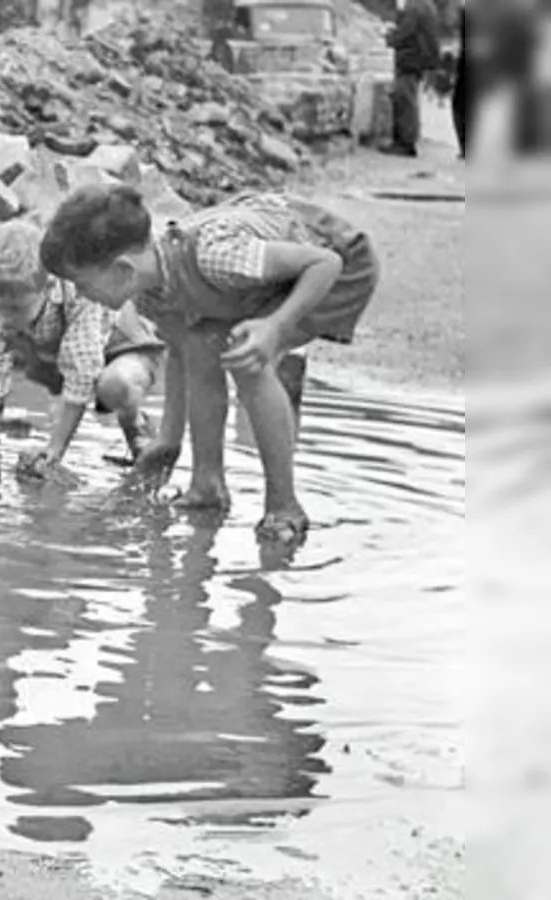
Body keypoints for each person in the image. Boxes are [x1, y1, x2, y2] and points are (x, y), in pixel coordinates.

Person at [40, 185, 380, 544]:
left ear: (122, 270)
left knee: (245, 354)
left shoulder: (217, 256)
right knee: (202, 344)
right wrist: (169, 440)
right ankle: (207, 486)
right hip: (263, 278)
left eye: (81, 283)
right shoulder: (147, 291)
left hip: (335, 263)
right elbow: (179, 352)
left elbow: (325, 263)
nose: (79, 294)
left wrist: (275, 327)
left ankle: (285, 506)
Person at [0, 219, 164, 477]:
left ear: (49, 287)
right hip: (54, 353)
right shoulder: (2, 310)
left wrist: (54, 451)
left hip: (117, 351)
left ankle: (135, 426)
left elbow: (80, 378)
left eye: (14, 309)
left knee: (116, 385)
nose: (3, 319)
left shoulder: (82, 293)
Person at [383, 0, 443, 156]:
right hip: (419, 59)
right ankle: (405, 140)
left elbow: (406, 32)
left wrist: (388, 37)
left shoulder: (415, 7)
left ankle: (406, 143)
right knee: (408, 98)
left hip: (411, 59)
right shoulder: (426, 5)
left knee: (405, 99)